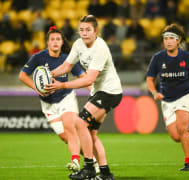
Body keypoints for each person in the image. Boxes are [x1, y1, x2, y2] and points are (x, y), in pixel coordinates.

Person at [45, 15, 122, 180]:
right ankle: (106, 173)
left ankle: (89, 169)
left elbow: (89, 79)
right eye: (81, 29)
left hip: (110, 92)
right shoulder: (79, 44)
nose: (84, 33)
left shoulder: (100, 47)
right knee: (91, 133)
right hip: (100, 92)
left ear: (96, 31)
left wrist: (62, 85)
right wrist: (51, 74)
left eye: (88, 30)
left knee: (80, 123)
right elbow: (67, 66)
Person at [19, 27, 86, 172]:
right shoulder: (38, 57)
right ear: (47, 43)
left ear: (62, 42)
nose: (55, 42)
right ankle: (91, 159)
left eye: (58, 39)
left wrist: (93, 91)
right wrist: (36, 88)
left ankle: (75, 162)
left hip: (66, 98)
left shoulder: (68, 59)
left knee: (70, 126)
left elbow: (84, 77)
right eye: (52, 39)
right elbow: (22, 76)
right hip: (48, 104)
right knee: (65, 138)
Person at [146, 23, 189, 171]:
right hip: (167, 100)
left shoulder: (188, 56)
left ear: (178, 41)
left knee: (181, 128)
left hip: (186, 95)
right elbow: (150, 79)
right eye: (165, 38)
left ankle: (188, 163)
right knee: (176, 136)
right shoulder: (158, 58)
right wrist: (154, 92)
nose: (168, 41)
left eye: (172, 38)